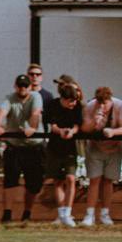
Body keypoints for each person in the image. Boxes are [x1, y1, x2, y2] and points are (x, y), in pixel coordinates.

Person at [0, 75, 44, 223]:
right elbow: (2, 112)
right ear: (15, 86)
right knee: (10, 180)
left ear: (30, 86)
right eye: (20, 86)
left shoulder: (36, 97)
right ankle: (7, 213)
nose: (23, 89)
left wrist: (32, 127)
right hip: (15, 145)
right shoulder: (10, 98)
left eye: (25, 86)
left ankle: (27, 213)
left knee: (34, 183)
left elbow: (35, 113)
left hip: (33, 145)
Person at [80, 86, 122, 227]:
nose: (102, 106)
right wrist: (95, 121)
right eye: (99, 102)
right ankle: (89, 215)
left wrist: (113, 132)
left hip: (114, 148)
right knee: (94, 180)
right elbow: (84, 129)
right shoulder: (90, 107)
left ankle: (105, 214)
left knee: (108, 181)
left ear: (110, 99)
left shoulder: (119, 106)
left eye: (104, 103)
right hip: (95, 147)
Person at [44, 83, 83, 227]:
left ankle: (68, 212)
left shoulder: (77, 106)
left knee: (71, 178)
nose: (73, 104)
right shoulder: (53, 105)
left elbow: (78, 125)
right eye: (70, 101)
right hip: (55, 147)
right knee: (58, 181)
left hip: (70, 148)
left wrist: (72, 131)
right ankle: (61, 214)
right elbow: (52, 125)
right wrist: (60, 131)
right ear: (64, 99)